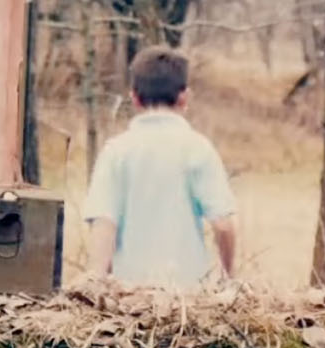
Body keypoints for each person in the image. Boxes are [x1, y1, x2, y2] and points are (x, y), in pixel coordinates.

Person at [83, 44, 236, 287]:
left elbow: (104, 224)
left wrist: (96, 280)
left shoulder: (116, 152)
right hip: (189, 294)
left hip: (130, 295)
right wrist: (229, 275)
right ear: (184, 97)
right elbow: (223, 225)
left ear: (134, 98)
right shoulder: (198, 149)